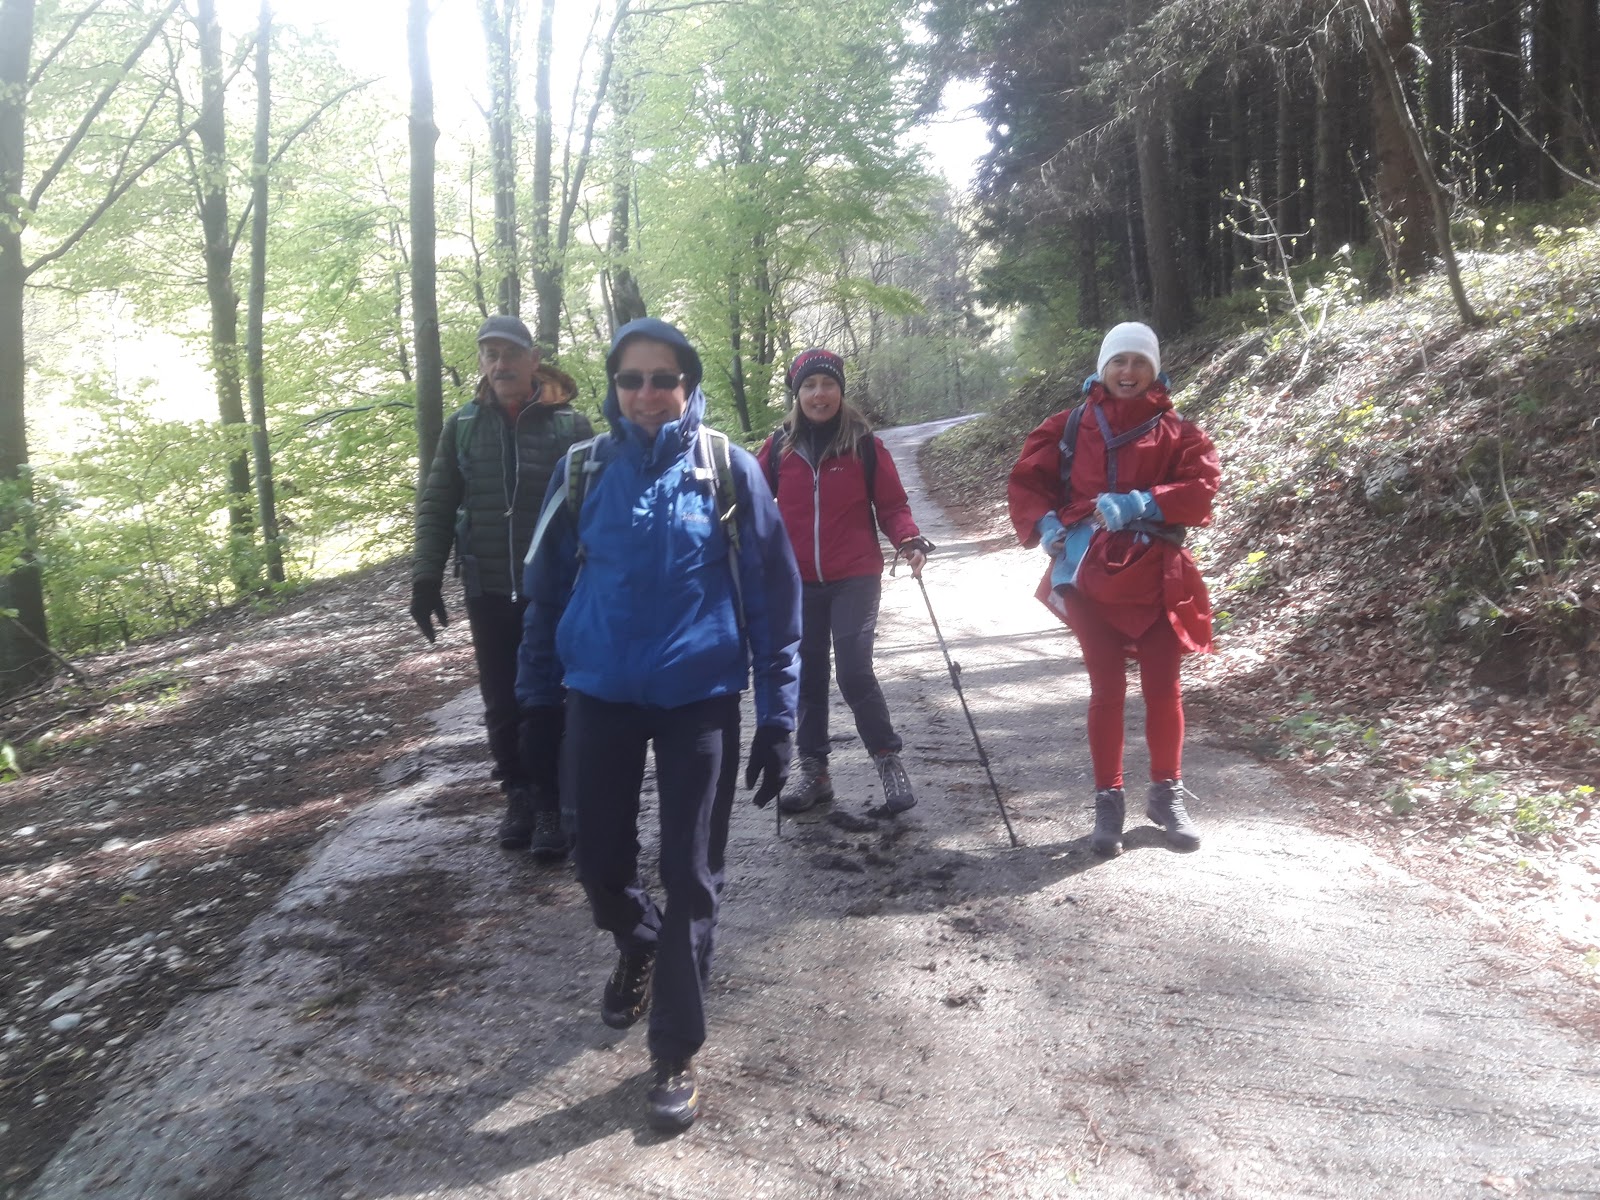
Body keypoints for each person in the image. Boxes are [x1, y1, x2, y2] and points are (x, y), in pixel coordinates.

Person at [516, 317, 801, 1133]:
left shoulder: (728, 469)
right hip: (599, 692)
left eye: (663, 378)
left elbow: (774, 601)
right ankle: (637, 939)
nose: (646, 394)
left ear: (688, 384)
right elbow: (545, 594)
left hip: (698, 696)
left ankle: (674, 1046)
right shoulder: (580, 470)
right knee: (598, 860)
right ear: (614, 386)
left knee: (692, 872)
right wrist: (536, 701)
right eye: (631, 379)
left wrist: (778, 714)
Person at [1006, 321, 1219, 856]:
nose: (1128, 371)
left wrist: (1145, 502)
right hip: (1087, 574)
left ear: (1155, 370)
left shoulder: (1179, 432)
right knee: (1107, 689)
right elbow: (1029, 481)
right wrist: (1047, 525)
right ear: (1102, 368)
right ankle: (1109, 800)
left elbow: (1200, 487)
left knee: (1163, 688)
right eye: (1118, 361)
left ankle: (1166, 795)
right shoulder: (1069, 426)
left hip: (1159, 574)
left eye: (1139, 362)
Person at [410, 314, 593, 858]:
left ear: (534, 359)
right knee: (501, 700)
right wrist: (426, 576)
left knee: (550, 697)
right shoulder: (463, 426)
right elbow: (437, 502)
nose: (500, 364)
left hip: (554, 588)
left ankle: (552, 802)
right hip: (488, 584)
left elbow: (594, 509)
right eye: (490, 354)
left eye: (510, 353)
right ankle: (518, 793)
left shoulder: (572, 427)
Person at [756, 348, 934, 816]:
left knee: (854, 670)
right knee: (808, 675)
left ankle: (888, 760)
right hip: (797, 580)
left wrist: (908, 538)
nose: (820, 394)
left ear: (840, 390)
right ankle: (814, 772)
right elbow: (750, 500)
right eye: (810, 386)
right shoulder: (779, 448)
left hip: (855, 575)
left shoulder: (863, 445)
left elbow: (892, 506)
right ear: (797, 394)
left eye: (828, 384)